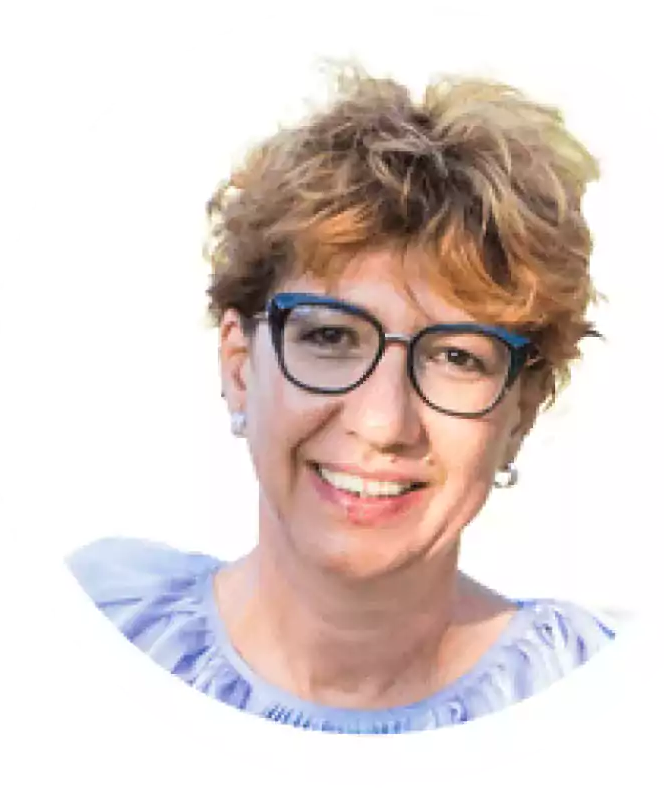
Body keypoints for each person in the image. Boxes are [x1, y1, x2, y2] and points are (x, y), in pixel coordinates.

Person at [68, 67, 615, 734]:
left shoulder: (595, 684)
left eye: (456, 357)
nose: (384, 421)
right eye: (330, 336)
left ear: (521, 413)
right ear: (241, 368)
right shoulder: (99, 623)